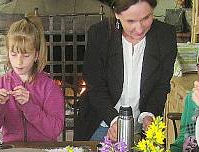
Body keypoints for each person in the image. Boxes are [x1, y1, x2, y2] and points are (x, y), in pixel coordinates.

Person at [74, 0, 177, 141]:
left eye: (146, 18)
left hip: (141, 130)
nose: (139, 28)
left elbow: (161, 85)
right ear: (117, 14)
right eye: (131, 21)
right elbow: (95, 86)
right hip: (100, 124)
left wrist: (149, 114)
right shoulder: (99, 34)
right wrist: (114, 120)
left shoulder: (166, 35)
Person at [0, 16, 64, 143]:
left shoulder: (50, 87)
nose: (19, 62)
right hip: (11, 151)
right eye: (13, 54)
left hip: (43, 151)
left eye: (26, 55)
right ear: (8, 53)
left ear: (36, 55)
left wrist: (29, 106)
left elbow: (54, 130)